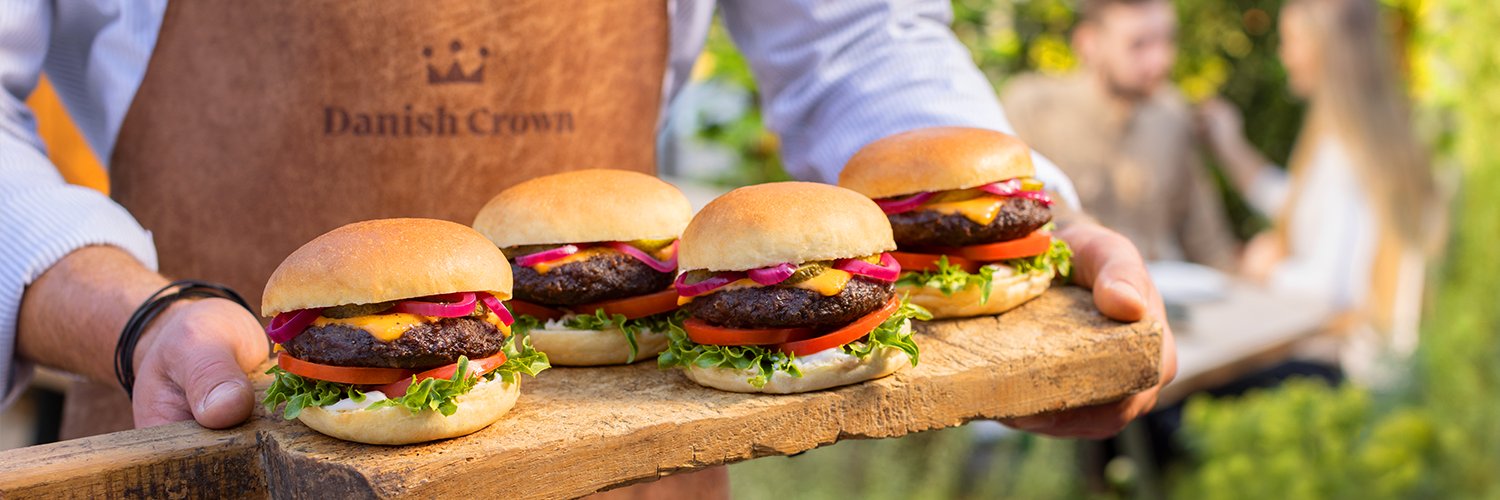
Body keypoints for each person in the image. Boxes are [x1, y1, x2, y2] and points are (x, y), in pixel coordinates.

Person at [2, 0, 1174, 490]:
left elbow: (858, 34)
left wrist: (998, 225)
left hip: (624, 463)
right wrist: (130, 311)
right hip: (212, 423)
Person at [1198, 0, 1440, 368]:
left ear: (1325, 47)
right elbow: (1307, 206)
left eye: (1292, 41)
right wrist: (1232, 150)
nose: (1285, 55)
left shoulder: (1349, 148)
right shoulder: (1365, 135)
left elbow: (1334, 292)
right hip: (1368, 365)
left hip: (1349, 369)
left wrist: (1265, 270)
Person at [1001, 0, 1242, 272]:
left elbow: (1207, 240)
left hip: (1159, 295)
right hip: (1064, 293)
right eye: (1138, 44)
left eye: (1167, 40)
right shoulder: (1034, 109)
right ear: (1089, 43)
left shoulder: (1173, 115)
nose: (1161, 60)